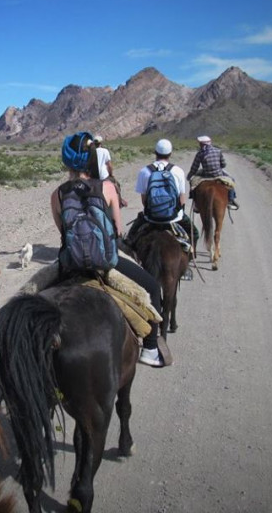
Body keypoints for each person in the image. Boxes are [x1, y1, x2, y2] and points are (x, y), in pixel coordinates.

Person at [51, 132, 170, 368]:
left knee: (33, 297)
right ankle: (149, 347)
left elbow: (63, 232)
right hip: (106, 262)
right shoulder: (107, 187)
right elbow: (116, 229)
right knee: (153, 288)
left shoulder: (57, 194)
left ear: (66, 163)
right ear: (91, 159)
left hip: (70, 265)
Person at [126, 138, 197, 280]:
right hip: (174, 218)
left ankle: (133, 266)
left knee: (130, 239)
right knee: (194, 232)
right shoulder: (177, 171)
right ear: (170, 153)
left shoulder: (145, 171)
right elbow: (181, 199)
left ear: (155, 152)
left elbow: (144, 200)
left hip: (150, 218)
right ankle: (186, 267)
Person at [186, 135, 239, 209]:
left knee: (192, 181)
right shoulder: (218, 151)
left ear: (202, 144)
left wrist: (189, 176)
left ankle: (196, 203)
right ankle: (231, 200)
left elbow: (194, 168)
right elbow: (223, 164)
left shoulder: (200, 153)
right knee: (232, 180)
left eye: (200, 143)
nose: (199, 145)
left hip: (206, 175)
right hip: (218, 174)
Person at [92, 135, 128, 207]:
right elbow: (109, 165)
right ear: (101, 143)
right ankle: (120, 201)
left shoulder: (91, 152)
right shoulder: (105, 151)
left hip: (94, 176)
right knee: (116, 184)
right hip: (103, 175)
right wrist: (111, 174)